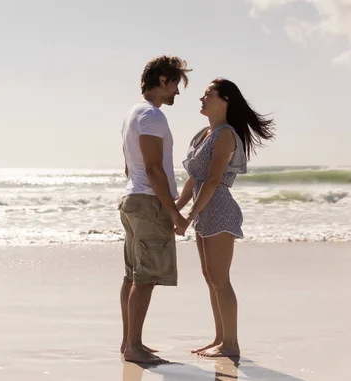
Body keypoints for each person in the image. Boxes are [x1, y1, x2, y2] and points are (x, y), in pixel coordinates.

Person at [175, 78, 276, 357]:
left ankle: (231, 344)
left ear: (224, 100)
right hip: (203, 210)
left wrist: (188, 216)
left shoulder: (226, 135)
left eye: (208, 94)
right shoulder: (202, 135)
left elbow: (212, 180)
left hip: (218, 209)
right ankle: (220, 338)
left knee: (220, 278)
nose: (202, 98)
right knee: (210, 277)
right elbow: (193, 179)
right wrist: (175, 207)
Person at [118, 55, 191, 364]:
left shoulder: (133, 114)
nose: (177, 92)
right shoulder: (152, 116)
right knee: (145, 278)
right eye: (176, 84)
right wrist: (173, 211)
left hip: (133, 199)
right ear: (163, 80)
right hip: (148, 202)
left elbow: (128, 168)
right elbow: (153, 169)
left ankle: (130, 343)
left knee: (132, 275)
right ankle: (134, 347)